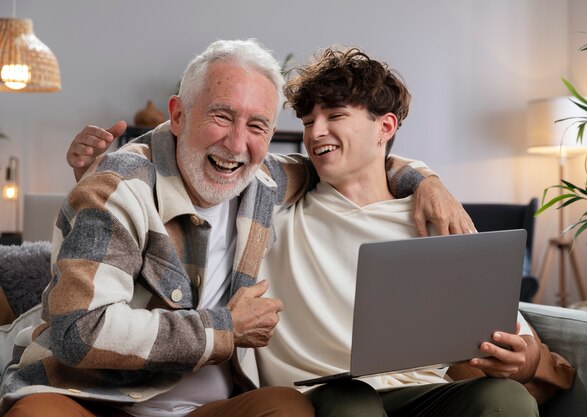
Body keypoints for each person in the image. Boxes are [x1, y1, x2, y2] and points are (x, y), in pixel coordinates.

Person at [0, 40, 469, 417]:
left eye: (258, 125)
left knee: (287, 408)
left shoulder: (263, 179)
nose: (237, 143)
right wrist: (223, 327)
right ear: (179, 115)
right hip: (95, 399)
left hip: (213, 406)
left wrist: (426, 180)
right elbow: (78, 331)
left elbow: (351, 162)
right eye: (221, 115)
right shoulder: (117, 186)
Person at [255, 47, 541, 416]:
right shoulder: (279, 210)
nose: (315, 132)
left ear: (385, 127)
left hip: (420, 392)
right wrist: (423, 176)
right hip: (323, 396)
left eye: (335, 115)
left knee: (508, 399)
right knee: (353, 402)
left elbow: (519, 335)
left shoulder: (437, 218)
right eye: (309, 121)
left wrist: (519, 356)